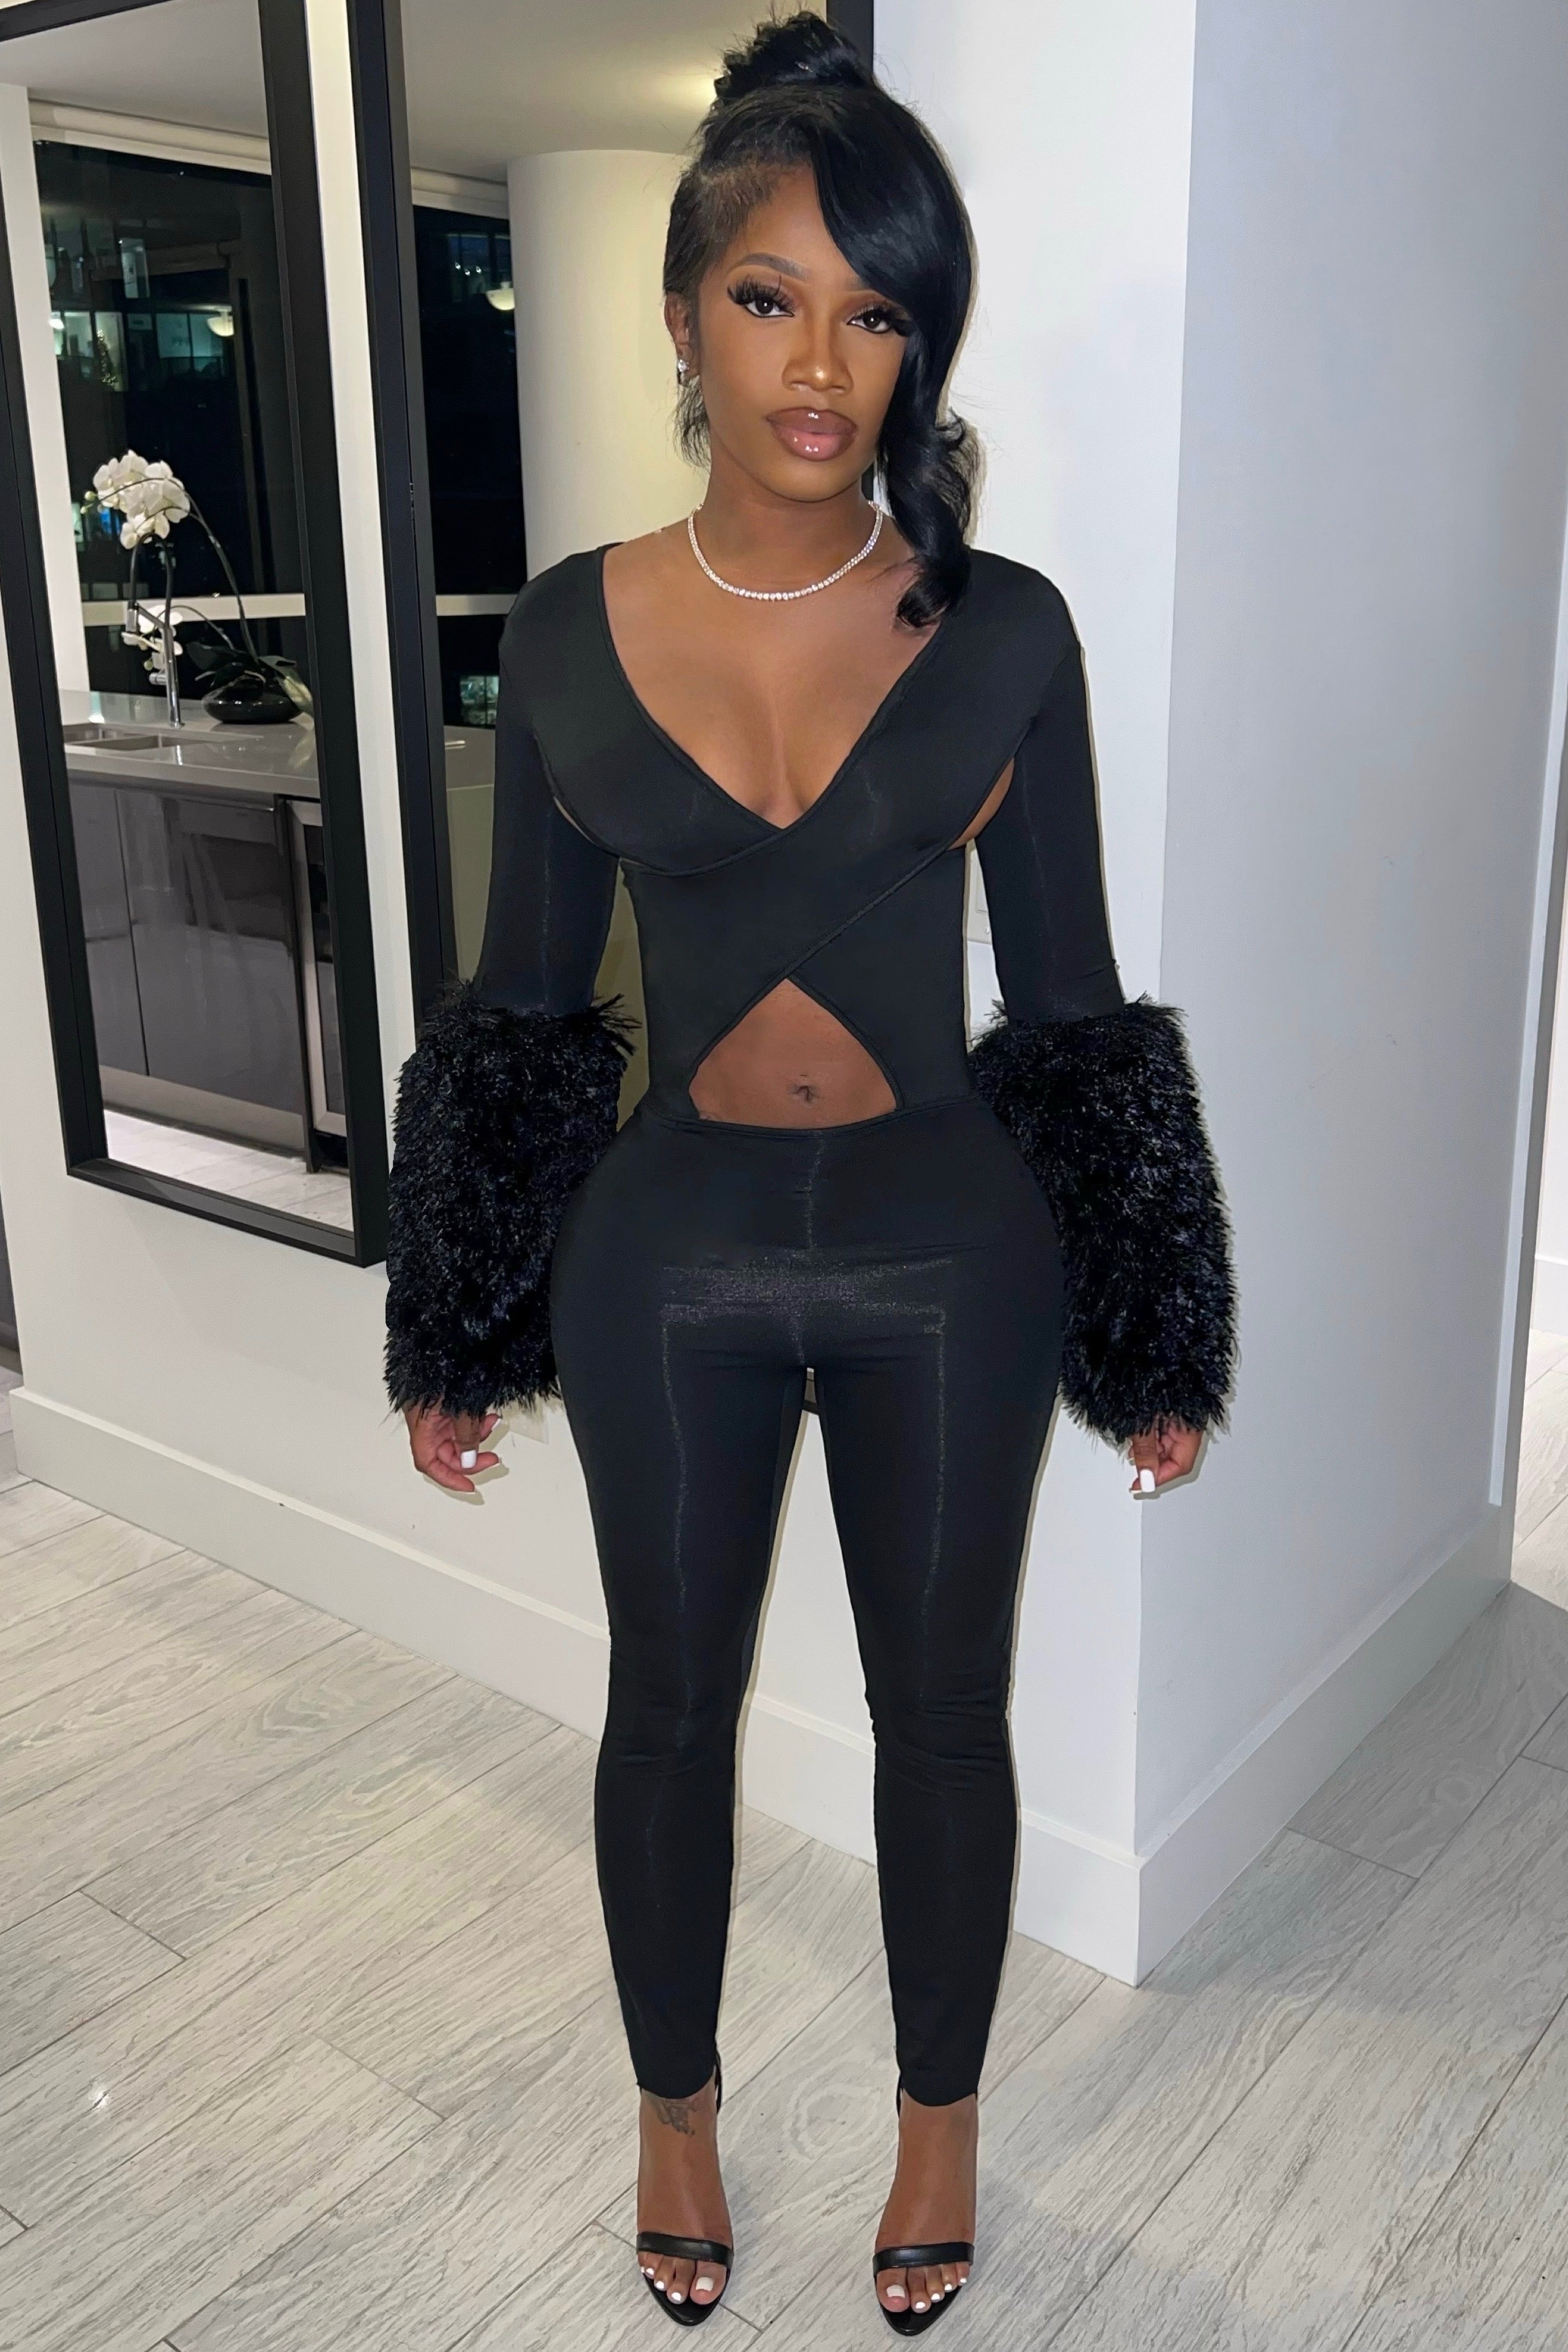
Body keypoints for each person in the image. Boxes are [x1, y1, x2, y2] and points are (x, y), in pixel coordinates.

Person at [384, 13, 1235, 2336]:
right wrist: (454, 1315)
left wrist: (1152, 1327)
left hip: (952, 1254)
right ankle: (673, 2115)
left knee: (943, 1716)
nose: (821, 361)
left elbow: (1071, 1004)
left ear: (918, 340)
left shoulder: (1007, 631)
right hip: (661, 1259)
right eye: (770, 297)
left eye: (875, 310)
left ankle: (938, 2126)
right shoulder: (564, 629)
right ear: (683, 317)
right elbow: (522, 1009)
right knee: (663, 1710)